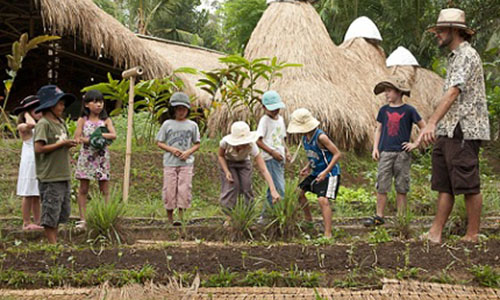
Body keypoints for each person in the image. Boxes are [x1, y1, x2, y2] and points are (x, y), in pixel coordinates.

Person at [418, 8, 490, 243]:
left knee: (468, 183)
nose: (437, 34)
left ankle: (472, 234)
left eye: (440, 30)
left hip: (464, 128)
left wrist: (431, 123)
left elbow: (452, 93)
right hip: (449, 129)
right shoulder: (454, 58)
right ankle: (435, 233)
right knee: (445, 185)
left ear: (453, 31)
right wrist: (437, 127)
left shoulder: (467, 56)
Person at [364, 76, 425, 227]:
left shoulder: (409, 110)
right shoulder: (383, 110)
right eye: (385, 91)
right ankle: (379, 216)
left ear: (399, 92)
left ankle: (402, 218)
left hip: (402, 153)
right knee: (382, 184)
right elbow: (378, 129)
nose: (386, 94)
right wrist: (375, 148)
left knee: (401, 185)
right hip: (385, 152)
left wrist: (415, 144)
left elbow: (424, 127)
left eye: (389, 91)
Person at [287, 108, 342, 238]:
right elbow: (315, 155)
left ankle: (328, 233)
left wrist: (325, 172)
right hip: (315, 171)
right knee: (298, 192)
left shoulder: (321, 137)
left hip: (329, 173)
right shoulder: (305, 138)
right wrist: (308, 167)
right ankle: (308, 220)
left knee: (322, 200)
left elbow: (337, 154)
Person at [33, 85, 77, 244]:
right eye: (60, 103)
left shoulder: (60, 122)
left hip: (63, 173)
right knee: (50, 210)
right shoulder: (43, 124)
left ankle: (55, 241)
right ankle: (53, 244)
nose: (63, 106)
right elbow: (39, 148)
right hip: (50, 175)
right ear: (51, 105)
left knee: (61, 211)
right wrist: (61, 145)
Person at [74, 90, 116, 230]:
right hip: (87, 157)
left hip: (102, 157)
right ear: (86, 104)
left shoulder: (106, 120)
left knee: (104, 188)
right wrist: (92, 139)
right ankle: (83, 219)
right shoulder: (82, 120)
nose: (99, 105)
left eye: (101, 102)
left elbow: (113, 135)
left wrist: (98, 136)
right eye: (95, 102)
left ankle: (105, 216)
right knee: (84, 188)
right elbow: (77, 138)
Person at [218, 121, 281, 215]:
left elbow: (264, 169)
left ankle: (248, 214)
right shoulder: (225, 143)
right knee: (232, 187)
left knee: (247, 186)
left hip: (244, 163)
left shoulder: (252, 146)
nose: (244, 145)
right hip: (229, 163)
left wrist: (273, 190)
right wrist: (226, 171)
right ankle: (229, 215)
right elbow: (220, 156)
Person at [156, 92, 201, 225]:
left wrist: (188, 152)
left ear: (187, 110)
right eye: (178, 108)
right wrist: (172, 149)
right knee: (169, 189)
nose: (181, 112)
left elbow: (197, 143)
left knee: (184, 189)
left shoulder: (192, 125)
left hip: (186, 163)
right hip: (170, 163)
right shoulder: (167, 124)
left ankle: (181, 218)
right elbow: (159, 142)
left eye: (183, 109)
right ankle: (170, 219)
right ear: (173, 109)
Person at [256, 91, 290, 220]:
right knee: (278, 188)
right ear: (264, 108)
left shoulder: (280, 119)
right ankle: (272, 216)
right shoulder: (264, 121)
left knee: (274, 188)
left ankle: (266, 216)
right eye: (272, 109)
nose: (275, 111)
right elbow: (258, 141)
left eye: (277, 108)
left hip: (279, 157)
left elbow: (282, 139)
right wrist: (272, 152)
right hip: (270, 158)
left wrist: (287, 151)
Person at [13, 95, 43, 231]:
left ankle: (38, 220)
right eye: (35, 109)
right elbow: (31, 125)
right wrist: (25, 113)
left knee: (36, 193)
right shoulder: (23, 126)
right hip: (29, 161)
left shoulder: (41, 125)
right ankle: (26, 221)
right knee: (28, 193)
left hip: (39, 160)